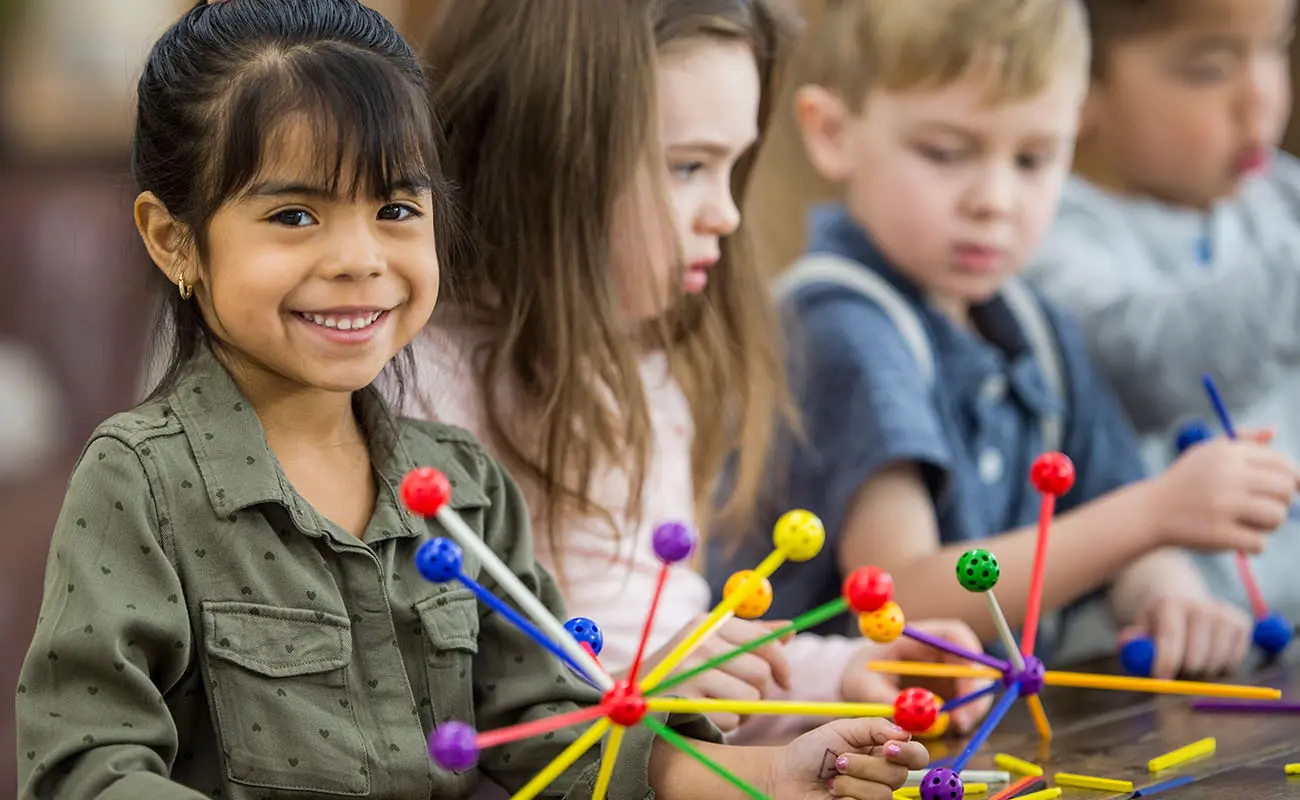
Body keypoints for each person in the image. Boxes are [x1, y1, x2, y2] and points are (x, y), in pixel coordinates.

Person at [14, 1, 929, 798]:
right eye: (295, 216)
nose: (360, 259)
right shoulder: (137, 481)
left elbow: (557, 723)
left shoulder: (461, 488)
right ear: (173, 240)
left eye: (397, 210)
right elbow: (88, 767)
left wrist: (771, 773)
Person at [412, 0, 993, 744]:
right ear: (546, 156)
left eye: (732, 167)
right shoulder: (421, 387)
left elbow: (675, 648)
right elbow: (460, 713)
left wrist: (846, 674)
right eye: (688, 166)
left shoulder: (644, 367)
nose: (726, 214)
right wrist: (651, 693)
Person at [709, 0, 1296, 679]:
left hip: (979, 732)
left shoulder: (1031, 323)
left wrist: (1169, 595)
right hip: (815, 740)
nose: (994, 198)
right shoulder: (840, 328)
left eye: (1033, 158)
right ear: (835, 133)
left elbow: (1110, 512)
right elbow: (901, 595)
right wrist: (1155, 515)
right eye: (946, 153)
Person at [1026, 0, 1300, 631]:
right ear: (1080, 85)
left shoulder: (1277, 203)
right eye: (1208, 70)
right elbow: (1145, 363)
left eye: (1276, 49)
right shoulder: (1037, 226)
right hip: (1158, 639)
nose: (1259, 98)